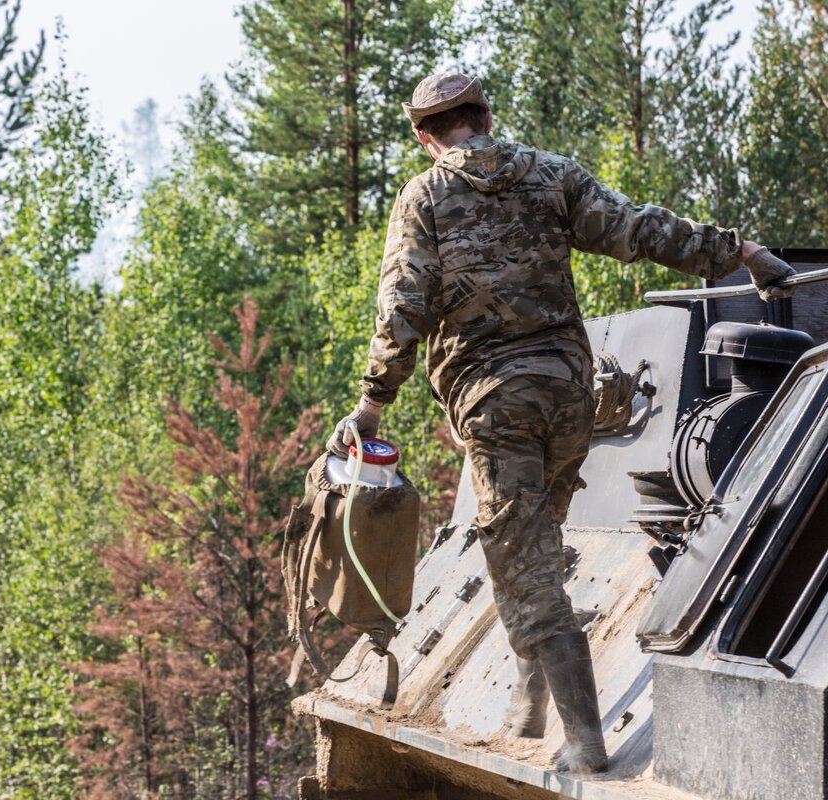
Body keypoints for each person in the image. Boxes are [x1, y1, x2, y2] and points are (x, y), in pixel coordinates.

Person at [325, 72, 798, 774]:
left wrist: (371, 403)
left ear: (426, 137)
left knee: (523, 566)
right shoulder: (552, 175)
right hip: (573, 398)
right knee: (537, 543)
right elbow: (639, 230)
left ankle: (584, 741)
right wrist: (743, 252)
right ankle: (528, 697)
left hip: (498, 403)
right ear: (486, 115)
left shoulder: (425, 194)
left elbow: (404, 306)